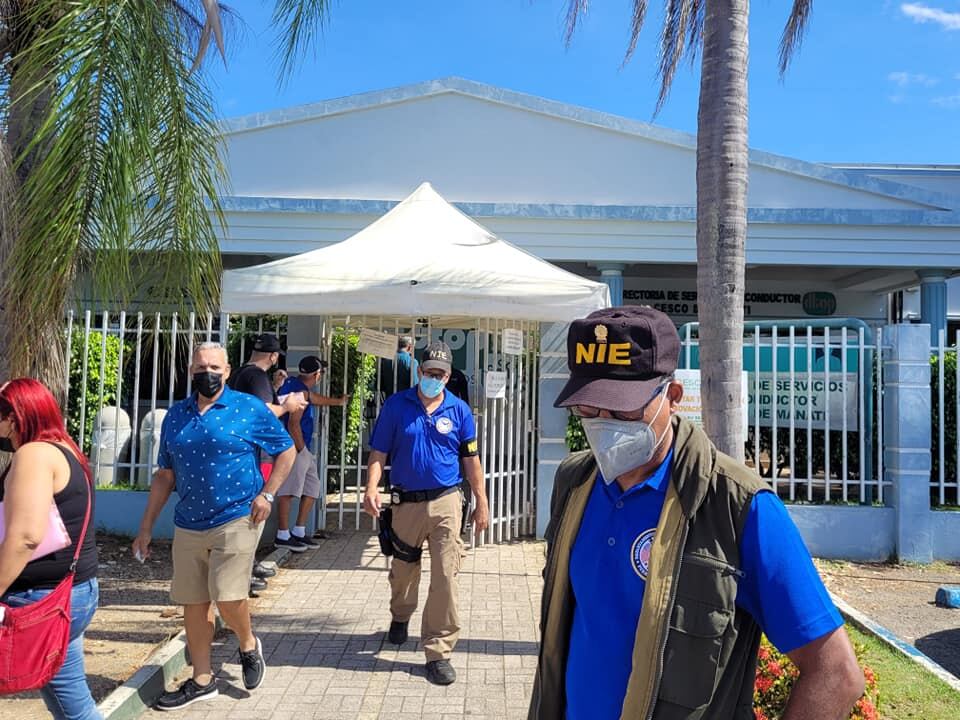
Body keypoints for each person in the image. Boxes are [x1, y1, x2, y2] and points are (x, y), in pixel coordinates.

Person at [528, 306, 865, 720]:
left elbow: (836, 674)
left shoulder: (737, 505)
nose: (603, 424)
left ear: (672, 397)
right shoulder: (575, 483)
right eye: (589, 408)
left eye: (622, 409)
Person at [132, 342, 297, 710]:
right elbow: (165, 474)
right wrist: (145, 527)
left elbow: (286, 450)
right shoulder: (177, 415)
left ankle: (248, 643)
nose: (207, 373)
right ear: (191, 371)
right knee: (193, 602)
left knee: (227, 595)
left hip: (238, 516)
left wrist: (268, 494)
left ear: (227, 371)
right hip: (189, 522)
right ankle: (202, 679)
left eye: (214, 368)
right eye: (200, 368)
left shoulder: (248, 408)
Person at [363, 341, 490, 686]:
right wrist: (371, 487)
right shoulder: (396, 406)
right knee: (404, 572)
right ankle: (401, 614)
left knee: (446, 576)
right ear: (419, 371)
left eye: (441, 374)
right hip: (406, 502)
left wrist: (481, 500)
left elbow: (471, 460)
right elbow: (379, 452)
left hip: (447, 501)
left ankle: (438, 651)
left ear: (448, 376)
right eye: (430, 372)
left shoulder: (459, 411)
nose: (435, 378)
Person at [0, 378, 101, 720]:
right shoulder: (64, 448)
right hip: (68, 593)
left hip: (39, 599)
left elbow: (25, 537)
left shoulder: (34, 454)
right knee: (75, 707)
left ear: (13, 418)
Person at [228, 333, 306, 592]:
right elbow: (262, 410)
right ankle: (243, 574)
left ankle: (248, 565)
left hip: (243, 450)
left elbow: (254, 404)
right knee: (255, 511)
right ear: (273, 356)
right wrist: (288, 405)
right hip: (257, 452)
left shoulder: (241, 374)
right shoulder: (257, 376)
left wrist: (275, 386)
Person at [274, 355, 348, 551]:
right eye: (321, 372)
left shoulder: (297, 386)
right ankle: (282, 534)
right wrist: (301, 450)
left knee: (312, 487)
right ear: (316, 375)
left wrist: (338, 402)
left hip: (299, 448)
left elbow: (314, 398)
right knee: (288, 491)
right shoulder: (299, 392)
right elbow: (293, 424)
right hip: (294, 448)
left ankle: (299, 531)